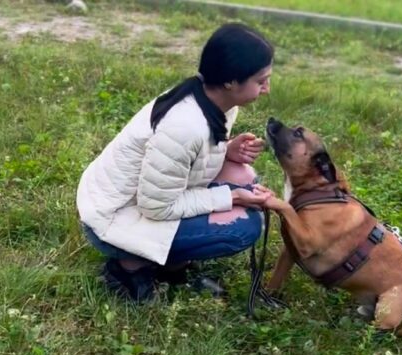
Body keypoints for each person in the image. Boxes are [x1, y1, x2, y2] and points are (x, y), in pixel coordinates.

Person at [76, 23, 275, 302]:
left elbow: (186, 161)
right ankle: (128, 267)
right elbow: (156, 206)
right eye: (260, 80)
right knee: (243, 227)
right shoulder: (184, 126)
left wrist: (228, 150)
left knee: (245, 177)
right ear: (231, 81)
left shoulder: (214, 100)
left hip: (147, 197)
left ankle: (172, 263)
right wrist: (230, 196)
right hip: (113, 218)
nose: (266, 88)